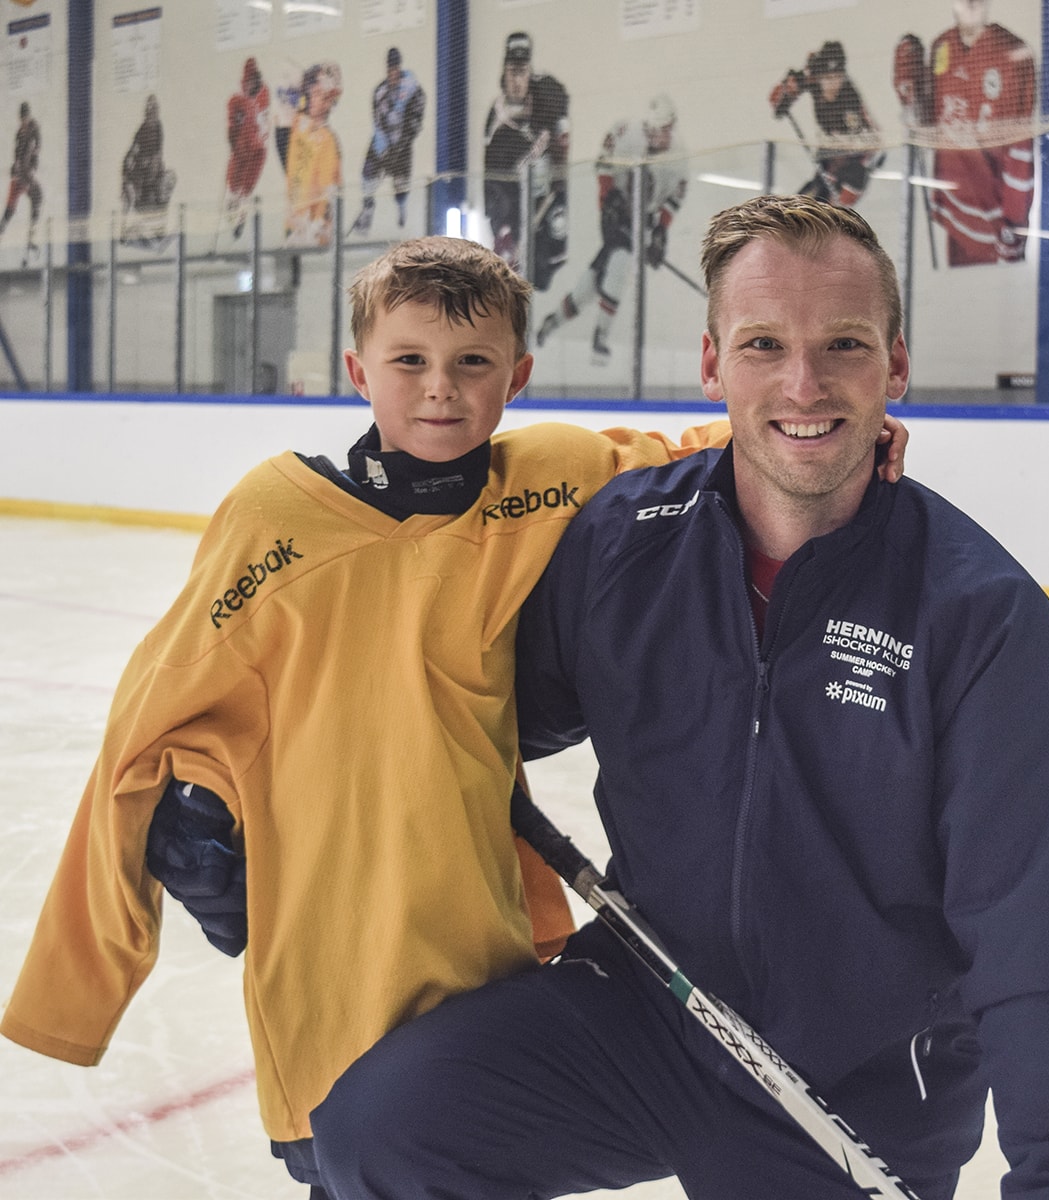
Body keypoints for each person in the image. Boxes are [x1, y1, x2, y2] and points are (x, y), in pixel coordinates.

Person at [2, 237, 907, 1197]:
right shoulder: (275, 517)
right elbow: (147, 723)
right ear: (358, 371)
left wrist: (846, 435)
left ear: (515, 376)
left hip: (483, 935)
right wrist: (105, 944)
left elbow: (693, 455)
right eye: (410, 361)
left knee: (458, 1139)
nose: (442, 388)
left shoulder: (546, 479)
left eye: (472, 362)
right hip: (331, 950)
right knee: (352, 1155)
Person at [309, 196, 1049, 1200]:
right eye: (764, 343)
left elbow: (1037, 939)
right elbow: (476, 719)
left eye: (845, 345)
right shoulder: (624, 541)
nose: (803, 383)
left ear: (895, 367)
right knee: (382, 1133)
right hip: (651, 1008)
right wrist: (252, 778)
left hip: (857, 1080)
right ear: (712, 364)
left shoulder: (976, 614)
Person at [536, 93, 687, 363]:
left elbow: (673, 200)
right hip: (614, 212)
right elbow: (603, 165)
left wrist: (661, 233)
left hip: (644, 221)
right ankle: (601, 336)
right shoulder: (626, 133)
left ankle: (553, 321)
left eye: (663, 130)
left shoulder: (679, 157)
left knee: (591, 286)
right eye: (653, 129)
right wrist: (607, 202)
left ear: (671, 127)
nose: (657, 136)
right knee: (620, 261)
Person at [893, 0, 1037, 266]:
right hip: (954, 209)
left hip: (993, 219)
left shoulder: (1012, 52)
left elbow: (1021, 145)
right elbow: (927, 122)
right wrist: (910, 96)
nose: (970, 3)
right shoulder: (941, 46)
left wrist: (1015, 223)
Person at [482, 31, 570, 290]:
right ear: (504, 73)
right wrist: (503, 228)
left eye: (523, 72)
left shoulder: (547, 93)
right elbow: (494, 186)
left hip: (547, 201)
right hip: (518, 210)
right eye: (513, 72)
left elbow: (562, 129)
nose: (518, 80)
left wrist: (559, 167)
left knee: (546, 274)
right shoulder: (497, 126)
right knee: (519, 281)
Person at [769, 40, 884, 207]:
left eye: (838, 77)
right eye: (828, 78)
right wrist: (785, 95)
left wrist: (843, 152)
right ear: (820, 76)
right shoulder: (813, 77)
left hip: (856, 157)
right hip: (831, 153)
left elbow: (869, 142)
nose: (833, 83)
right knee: (807, 198)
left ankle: (832, 218)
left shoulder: (849, 100)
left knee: (838, 198)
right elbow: (790, 87)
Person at [348, 46, 425, 236]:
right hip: (381, 144)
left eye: (395, 68)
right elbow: (376, 119)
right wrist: (381, 142)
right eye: (390, 68)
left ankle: (402, 210)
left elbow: (416, 120)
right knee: (368, 175)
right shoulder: (379, 91)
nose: (393, 72)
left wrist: (401, 143)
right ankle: (367, 210)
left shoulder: (414, 90)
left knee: (401, 182)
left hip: (402, 146)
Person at [282, 61, 344, 247]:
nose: (323, 102)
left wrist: (318, 224)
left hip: (314, 229)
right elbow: (285, 88)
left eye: (327, 98)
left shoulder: (328, 140)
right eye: (317, 94)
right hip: (294, 223)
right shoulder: (296, 124)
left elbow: (330, 190)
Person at [224, 56, 270, 240]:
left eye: (252, 82)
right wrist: (233, 140)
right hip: (240, 151)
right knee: (233, 187)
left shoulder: (263, 95)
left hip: (255, 152)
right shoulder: (235, 101)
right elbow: (231, 127)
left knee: (245, 190)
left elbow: (263, 127)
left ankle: (239, 221)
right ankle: (232, 216)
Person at [120, 94, 176, 245]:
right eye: (150, 109)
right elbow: (134, 150)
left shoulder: (158, 127)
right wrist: (130, 165)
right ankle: (124, 230)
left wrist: (153, 164)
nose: (152, 112)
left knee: (166, 185)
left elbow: (158, 152)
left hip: (152, 169)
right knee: (131, 191)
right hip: (142, 171)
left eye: (154, 109)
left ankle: (158, 230)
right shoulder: (142, 130)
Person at [0, 100, 42, 264]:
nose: (23, 121)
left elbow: (36, 149)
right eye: (21, 118)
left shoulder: (33, 129)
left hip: (25, 173)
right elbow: (17, 152)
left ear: (28, 116)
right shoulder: (20, 132)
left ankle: (30, 238)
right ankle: (3, 227)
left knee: (36, 197)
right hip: (19, 174)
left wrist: (31, 167)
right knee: (11, 204)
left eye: (24, 118)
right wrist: (15, 167)